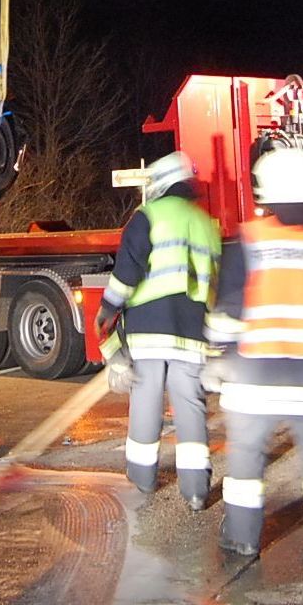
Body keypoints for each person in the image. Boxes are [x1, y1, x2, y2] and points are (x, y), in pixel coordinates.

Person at [204, 148, 303, 571]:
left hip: (258, 374)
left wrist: (215, 354)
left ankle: (241, 539)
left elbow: (228, 315)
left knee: (246, 460)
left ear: (265, 192)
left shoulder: (252, 240)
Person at [95, 150, 221, 510]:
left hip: (150, 328)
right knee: (189, 404)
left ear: (160, 185)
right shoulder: (204, 223)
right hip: (192, 330)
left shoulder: (148, 217)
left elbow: (127, 272)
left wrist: (109, 308)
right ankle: (196, 490)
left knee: (146, 400)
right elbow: (214, 280)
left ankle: (142, 478)